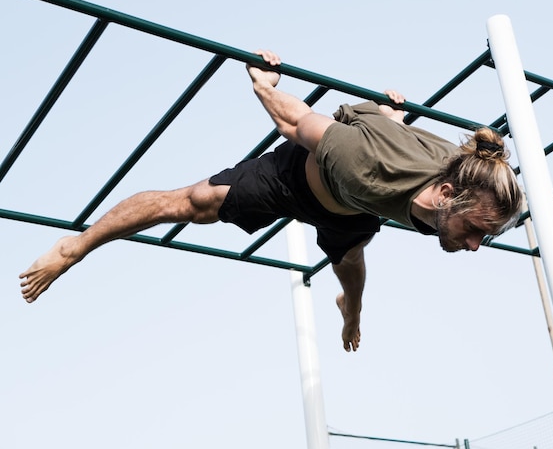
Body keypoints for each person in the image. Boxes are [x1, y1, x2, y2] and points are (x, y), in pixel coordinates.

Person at [19, 50, 523, 352]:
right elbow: (292, 122)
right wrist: (263, 84)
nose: (477, 246)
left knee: (350, 261)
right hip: (299, 179)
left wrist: (392, 115)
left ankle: (350, 311)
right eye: (477, 231)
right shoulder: (362, 161)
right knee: (193, 201)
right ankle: (75, 248)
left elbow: (408, 140)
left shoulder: (454, 175)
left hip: (353, 207)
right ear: (449, 197)